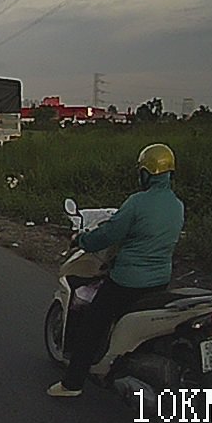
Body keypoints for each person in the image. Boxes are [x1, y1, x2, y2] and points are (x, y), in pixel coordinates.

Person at [48, 143, 184, 397]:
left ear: (145, 173)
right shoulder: (177, 205)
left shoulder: (137, 203)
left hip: (128, 282)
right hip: (160, 281)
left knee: (91, 325)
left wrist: (82, 240)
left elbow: (109, 234)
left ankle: (72, 384)